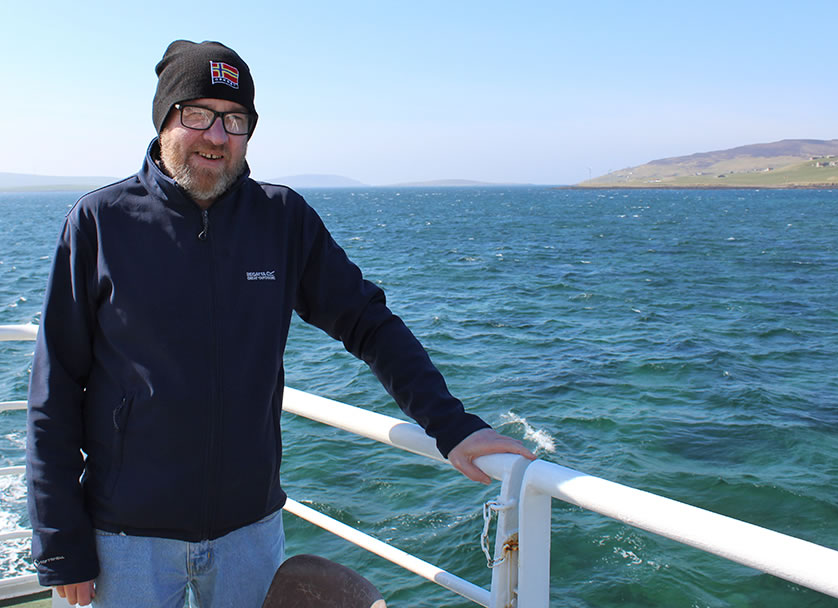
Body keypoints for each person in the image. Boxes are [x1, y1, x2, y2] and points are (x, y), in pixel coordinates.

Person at [26, 39, 536, 608]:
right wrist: (61, 543)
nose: (217, 137)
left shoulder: (282, 218)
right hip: (125, 536)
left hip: (250, 528)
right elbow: (56, 390)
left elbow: (368, 321)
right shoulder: (101, 223)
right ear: (165, 119)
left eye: (235, 120)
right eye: (198, 114)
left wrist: (453, 426)